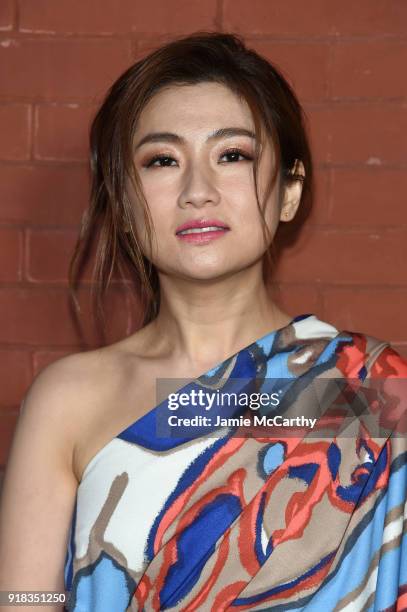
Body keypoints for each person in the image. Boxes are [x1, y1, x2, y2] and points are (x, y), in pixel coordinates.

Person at [0, 31, 406, 612]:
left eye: (232, 155)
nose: (197, 191)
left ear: (289, 191)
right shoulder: (71, 398)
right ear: (123, 199)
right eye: (163, 160)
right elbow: (23, 598)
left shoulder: (370, 389)